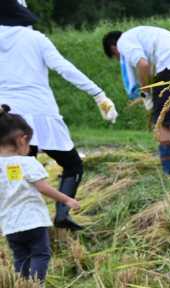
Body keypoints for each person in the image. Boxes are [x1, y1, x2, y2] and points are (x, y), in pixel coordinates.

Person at [0, 0, 117, 231]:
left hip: (6, 115)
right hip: (41, 112)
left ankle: (22, 223)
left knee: (20, 170)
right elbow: (65, 68)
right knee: (72, 165)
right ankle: (62, 214)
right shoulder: (36, 39)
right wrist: (99, 95)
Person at [102, 27, 170, 175]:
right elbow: (149, 69)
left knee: (162, 122)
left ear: (113, 48)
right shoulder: (144, 33)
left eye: (117, 57)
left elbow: (143, 65)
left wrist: (145, 94)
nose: (120, 59)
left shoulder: (123, 41)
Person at [0, 106, 79, 282]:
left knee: (20, 256)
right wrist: (67, 199)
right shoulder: (28, 163)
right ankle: (37, 286)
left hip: (10, 225)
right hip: (33, 220)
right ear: (22, 140)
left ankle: (23, 286)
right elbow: (43, 188)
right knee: (40, 254)